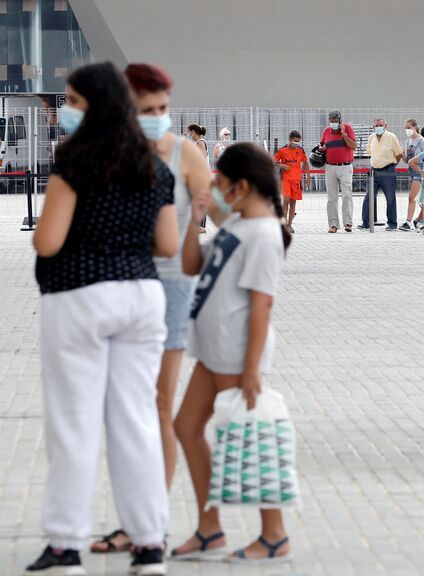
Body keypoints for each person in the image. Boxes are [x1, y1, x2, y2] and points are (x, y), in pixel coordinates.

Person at [28, 61, 179, 575]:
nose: (67, 110)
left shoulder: (76, 160)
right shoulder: (154, 166)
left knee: (74, 422)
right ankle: (149, 544)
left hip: (78, 294)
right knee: (136, 419)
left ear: (94, 104)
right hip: (141, 297)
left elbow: (47, 239)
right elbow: (168, 244)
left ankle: (66, 546)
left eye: (72, 100)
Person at [86, 63, 214, 558]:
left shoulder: (186, 152)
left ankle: (148, 526)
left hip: (170, 289)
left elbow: (218, 212)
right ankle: (137, 520)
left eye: (164, 109)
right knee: (122, 408)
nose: (159, 118)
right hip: (115, 285)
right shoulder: (103, 154)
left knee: (157, 404)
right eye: (148, 111)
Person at [172, 143, 292, 563]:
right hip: (215, 348)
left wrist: (251, 368)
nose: (217, 189)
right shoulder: (238, 224)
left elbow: (262, 303)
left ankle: (273, 534)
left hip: (237, 350)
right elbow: (191, 265)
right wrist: (194, 219)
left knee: (244, 434)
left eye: (220, 183)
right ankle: (209, 530)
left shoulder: (264, 233)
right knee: (187, 427)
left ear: (241, 186)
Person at [317, 111, 357, 233]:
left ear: (340, 121)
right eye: (332, 121)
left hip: (345, 167)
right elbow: (321, 144)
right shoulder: (326, 131)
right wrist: (321, 148)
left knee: (346, 195)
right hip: (330, 167)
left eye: (336, 121)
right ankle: (333, 224)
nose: (334, 123)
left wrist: (344, 134)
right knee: (331, 198)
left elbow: (353, 146)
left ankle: (348, 223)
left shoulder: (347, 128)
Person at [362, 118, 404, 231]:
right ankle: (365, 222)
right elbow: (370, 153)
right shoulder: (371, 137)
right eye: (377, 125)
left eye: (381, 125)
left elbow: (399, 153)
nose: (379, 127)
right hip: (374, 171)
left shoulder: (391, 137)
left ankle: (392, 223)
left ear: (385, 125)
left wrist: (393, 165)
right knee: (368, 197)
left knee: (390, 198)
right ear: (373, 126)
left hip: (388, 170)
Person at [274, 131, 310, 234]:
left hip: (296, 180)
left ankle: (290, 225)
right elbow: (274, 161)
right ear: (289, 139)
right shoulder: (282, 151)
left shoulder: (300, 151)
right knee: (285, 200)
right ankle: (284, 224)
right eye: (294, 141)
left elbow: (306, 163)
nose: (296, 143)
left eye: (298, 141)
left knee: (293, 202)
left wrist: (308, 176)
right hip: (285, 179)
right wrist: (282, 165)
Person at [402, 118, 424, 231]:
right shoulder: (408, 141)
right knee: (415, 198)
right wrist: (402, 156)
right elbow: (407, 159)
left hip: (420, 170)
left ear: (415, 127)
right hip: (411, 171)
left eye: (409, 127)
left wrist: (422, 171)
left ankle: (409, 221)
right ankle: (420, 220)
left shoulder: (421, 140)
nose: (407, 130)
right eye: (406, 128)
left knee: (413, 197)